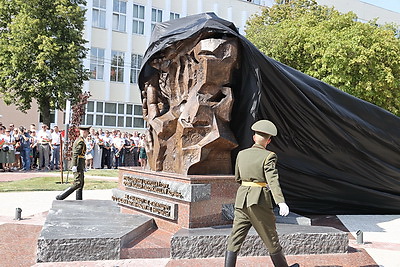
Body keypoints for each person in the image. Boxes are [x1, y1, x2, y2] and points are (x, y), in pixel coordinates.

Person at [224, 120, 299, 267]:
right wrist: (281, 202)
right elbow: (273, 180)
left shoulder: (241, 154)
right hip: (258, 202)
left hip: (242, 200)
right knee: (271, 238)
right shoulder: (269, 156)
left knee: (235, 238)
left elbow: (238, 177)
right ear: (268, 141)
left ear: (254, 137)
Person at [56, 126, 90, 200]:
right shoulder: (80, 141)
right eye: (87, 132)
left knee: (81, 183)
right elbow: (76, 154)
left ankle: (79, 199)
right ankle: (61, 196)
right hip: (78, 164)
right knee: (77, 183)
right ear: (84, 132)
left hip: (80, 164)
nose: (88, 134)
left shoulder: (81, 140)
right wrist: (74, 165)